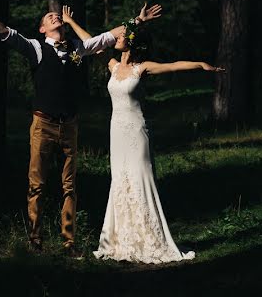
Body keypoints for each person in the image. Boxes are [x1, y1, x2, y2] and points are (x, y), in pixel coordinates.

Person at [0, 0, 162, 254]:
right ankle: (35, 239)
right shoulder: (36, 48)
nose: (54, 15)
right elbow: (3, 30)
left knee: (69, 185)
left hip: (69, 124)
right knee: (36, 184)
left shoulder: (77, 47)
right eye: (48, 17)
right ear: (43, 29)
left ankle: (68, 241)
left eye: (56, 16)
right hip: (43, 125)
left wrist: (138, 21)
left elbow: (109, 35)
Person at [92, 20, 224, 263]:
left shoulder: (142, 68)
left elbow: (172, 66)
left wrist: (199, 65)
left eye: (122, 36)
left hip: (136, 132)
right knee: (120, 179)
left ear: (131, 43)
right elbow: (91, 42)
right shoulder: (111, 66)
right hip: (116, 133)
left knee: (140, 178)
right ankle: (120, 238)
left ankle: (149, 236)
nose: (116, 39)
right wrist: (69, 22)